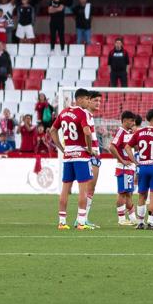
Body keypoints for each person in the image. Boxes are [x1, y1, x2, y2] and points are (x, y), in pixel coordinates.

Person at [50, 89, 98, 229]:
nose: (88, 102)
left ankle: (62, 222)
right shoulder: (82, 113)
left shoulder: (64, 112)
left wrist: (61, 147)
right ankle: (81, 222)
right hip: (81, 157)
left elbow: (52, 130)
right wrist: (89, 149)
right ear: (79, 99)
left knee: (65, 188)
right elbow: (87, 132)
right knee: (83, 189)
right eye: (87, 99)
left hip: (68, 156)